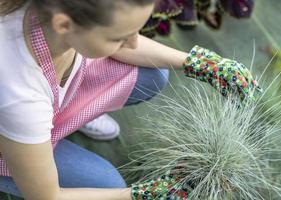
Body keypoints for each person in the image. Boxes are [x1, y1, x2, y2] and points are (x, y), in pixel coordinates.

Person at [0, 0, 261, 199]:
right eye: (119, 37)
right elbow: (47, 196)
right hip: (9, 146)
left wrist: (198, 62)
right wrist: (143, 194)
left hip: (39, 106)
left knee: (154, 72)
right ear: (64, 24)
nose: (134, 43)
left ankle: (66, 111)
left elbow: (128, 46)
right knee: (108, 185)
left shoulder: (53, 13)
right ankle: (43, 133)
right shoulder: (18, 93)